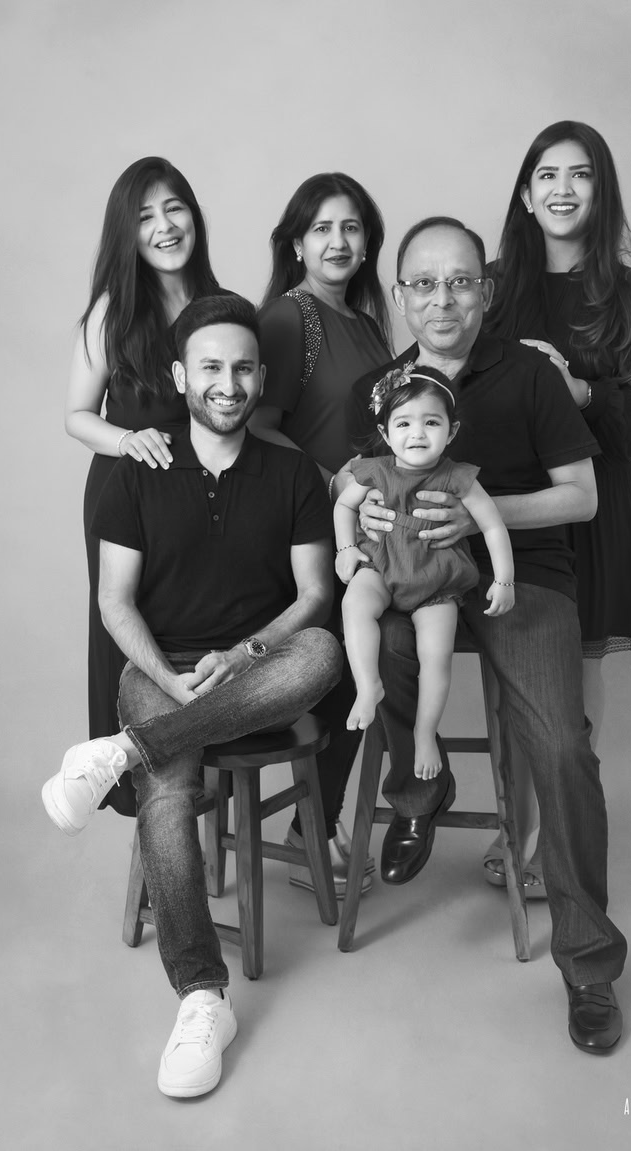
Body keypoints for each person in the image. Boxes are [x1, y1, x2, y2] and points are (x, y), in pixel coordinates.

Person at [43, 293, 343, 1097]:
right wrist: (171, 677)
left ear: (260, 376)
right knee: (169, 796)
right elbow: (115, 601)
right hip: (159, 667)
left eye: (243, 367)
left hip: (261, 663)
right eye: (210, 366)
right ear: (179, 376)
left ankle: (122, 753)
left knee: (323, 652)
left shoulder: (290, 472)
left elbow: (314, 595)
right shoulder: (135, 473)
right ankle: (204, 997)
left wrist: (246, 652)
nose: (228, 381)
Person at [347, 217, 627, 1053]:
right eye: (424, 284)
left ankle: (589, 963)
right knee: (386, 650)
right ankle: (420, 790)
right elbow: (359, 490)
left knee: (563, 742)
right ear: (399, 297)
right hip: (414, 574)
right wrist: (364, 511)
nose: (443, 299)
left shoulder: (529, 375)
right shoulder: (382, 388)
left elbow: (582, 496)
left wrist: (475, 514)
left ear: (487, 289)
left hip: (523, 571)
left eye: (461, 281)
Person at [481, 120, 631, 897]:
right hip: (509, 507)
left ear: (601, 191)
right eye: (547, 175)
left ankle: (544, 847)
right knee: (515, 684)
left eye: (580, 174)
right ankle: (511, 830)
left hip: (592, 508)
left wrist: (578, 389)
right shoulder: (489, 286)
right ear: (525, 194)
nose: (562, 188)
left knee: (576, 690)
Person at [65, 157, 221, 815]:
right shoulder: (112, 311)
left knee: (200, 633)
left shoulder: (220, 306)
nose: (163, 226)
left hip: (201, 499)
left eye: (174, 208)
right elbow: (76, 416)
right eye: (145, 216)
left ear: (193, 214)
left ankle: (187, 780)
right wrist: (125, 439)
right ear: (125, 234)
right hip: (126, 496)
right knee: (131, 637)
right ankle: (145, 800)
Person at [251, 172, 392, 895]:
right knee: (353, 675)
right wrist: (336, 482)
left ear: (368, 242)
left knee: (378, 665)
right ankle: (316, 833)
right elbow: (257, 427)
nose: (339, 242)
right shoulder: (288, 318)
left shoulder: (366, 323)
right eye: (322, 229)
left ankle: (325, 824)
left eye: (352, 228)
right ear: (297, 243)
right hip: (306, 532)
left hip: (365, 534)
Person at [336, 364, 514, 779]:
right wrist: (346, 548)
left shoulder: (458, 477)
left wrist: (503, 579)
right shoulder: (375, 470)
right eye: (403, 423)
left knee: (436, 658)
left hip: (437, 578)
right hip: (380, 565)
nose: (417, 434)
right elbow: (344, 505)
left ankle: (424, 733)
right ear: (385, 433)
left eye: (430, 422)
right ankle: (367, 686)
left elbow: (492, 525)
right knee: (355, 606)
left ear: (450, 431)